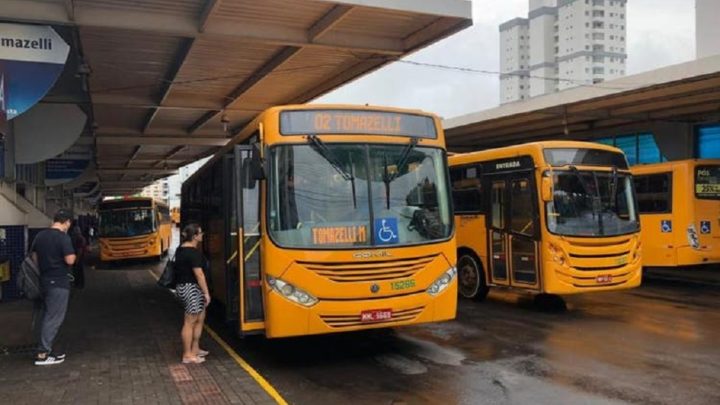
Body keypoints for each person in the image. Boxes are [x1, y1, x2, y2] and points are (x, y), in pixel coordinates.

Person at [31, 209, 76, 366]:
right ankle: (43, 353)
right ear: (67, 222)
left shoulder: (40, 236)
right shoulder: (63, 238)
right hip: (58, 282)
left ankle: (44, 349)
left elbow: (35, 258)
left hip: (43, 281)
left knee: (46, 315)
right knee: (54, 318)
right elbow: (70, 260)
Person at [174, 223, 210, 364]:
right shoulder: (193, 253)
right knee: (190, 322)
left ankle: (195, 349)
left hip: (186, 288)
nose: (202, 235)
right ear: (195, 236)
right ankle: (187, 355)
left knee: (200, 318)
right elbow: (199, 275)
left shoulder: (180, 250)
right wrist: (206, 293)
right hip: (191, 289)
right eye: (200, 233)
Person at [69, 224, 88, 289]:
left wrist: (77, 259)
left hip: (78, 257)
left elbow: (80, 250)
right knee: (79, 271)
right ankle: (79, 284)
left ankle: (78, 284)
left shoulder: (79, 239)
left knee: (78, 271)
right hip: (79, 257)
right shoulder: (81, 238)